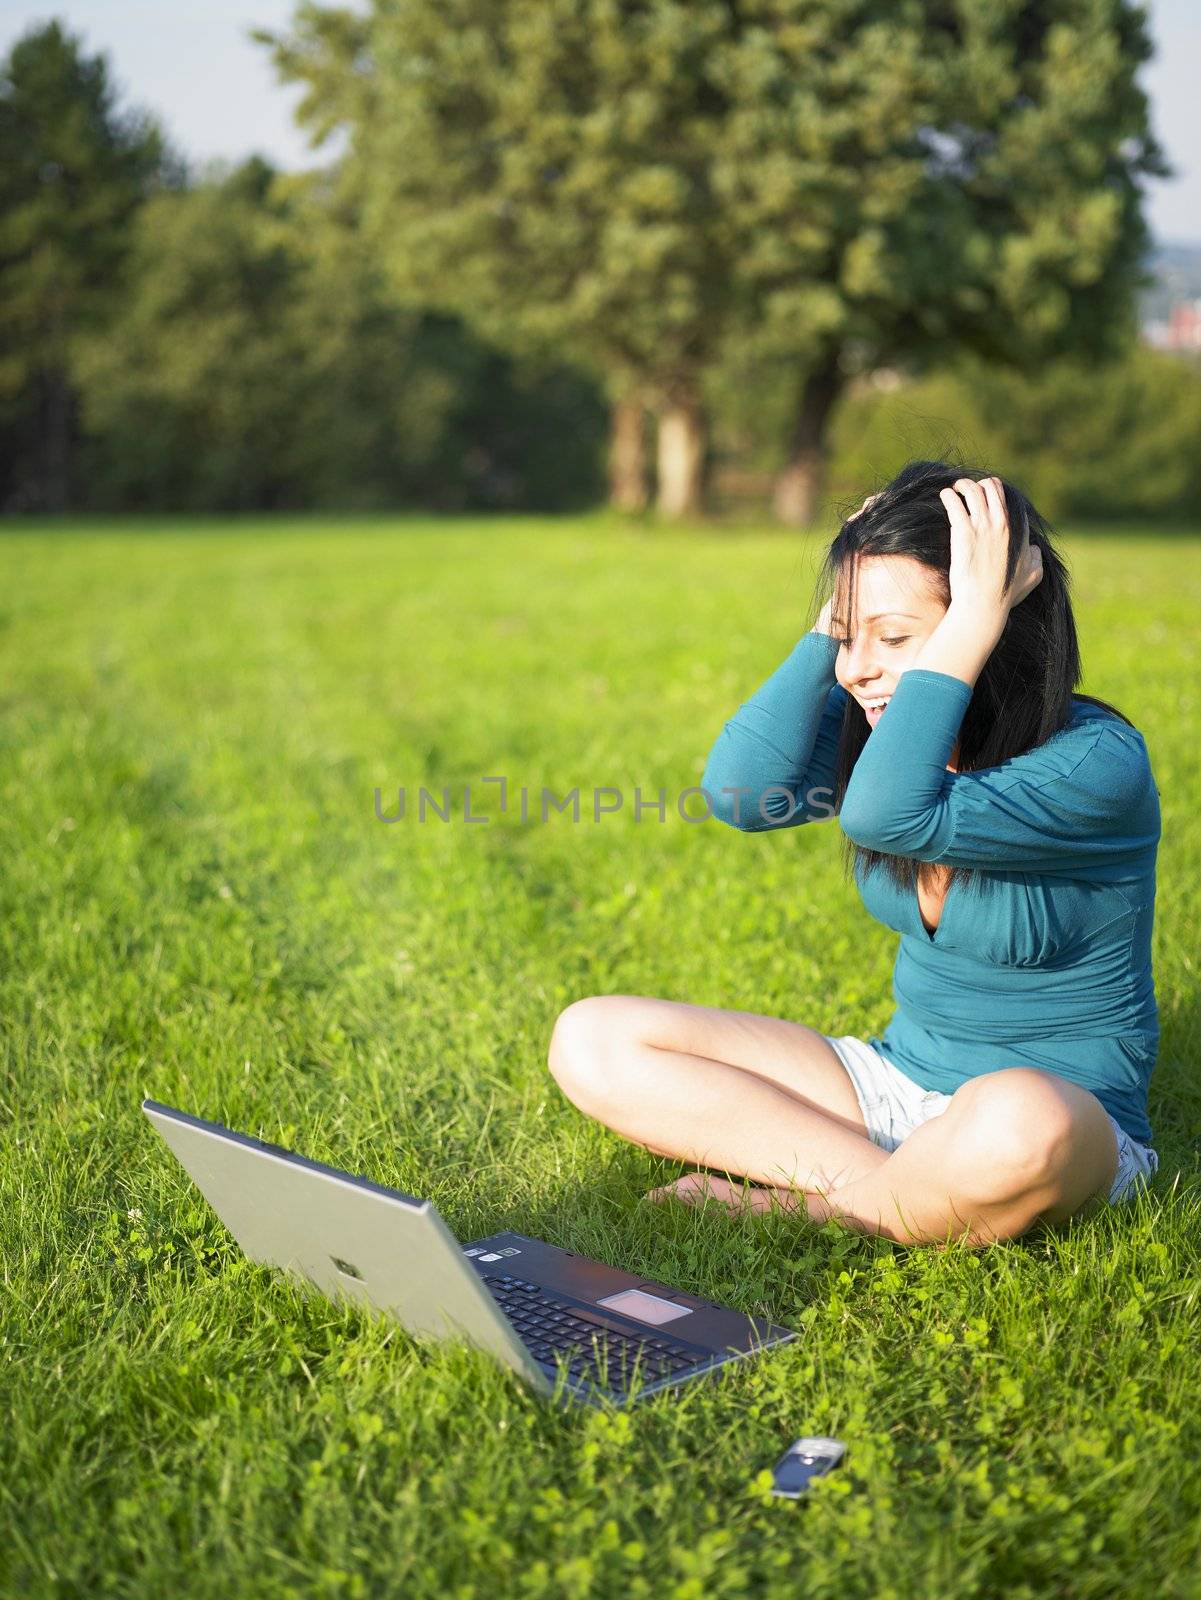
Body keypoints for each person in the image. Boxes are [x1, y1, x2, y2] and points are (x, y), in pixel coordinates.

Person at [546, 460, 1162, 1247]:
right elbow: (739, 794)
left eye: (893, 637)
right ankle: (890, 1189)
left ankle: (832, 1207)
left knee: (1019, 1120)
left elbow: (885, 816)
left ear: (993, 626)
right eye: (848, 635)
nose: (857, 668)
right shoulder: (888, 737)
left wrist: (972, 620)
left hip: (1058, 1121)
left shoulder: (1095, 763)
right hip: (893, 1083)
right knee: (593, 1038)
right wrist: (840, 610)